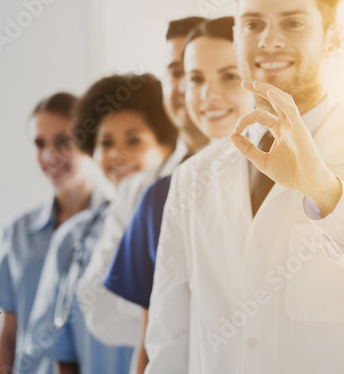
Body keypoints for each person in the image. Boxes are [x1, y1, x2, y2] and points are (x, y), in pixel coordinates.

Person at [144, 0, 344, 373]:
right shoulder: (193, 177)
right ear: (235, 39)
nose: (268, 40)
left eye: (293, 23)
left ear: (333, 39)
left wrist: (329, 193)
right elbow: (170, 338)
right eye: (252, 24)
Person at [103, 17, 254, 373]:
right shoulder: (162, 197)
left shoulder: (300, 181)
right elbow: (152, 339)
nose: (208, 94)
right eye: (196, 78)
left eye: (230, 76)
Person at [24, 73, 177, 374]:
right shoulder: (72, 238)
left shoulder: (182, 224)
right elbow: (56, 346)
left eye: (134, 140)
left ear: (166, 147)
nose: (117, 154)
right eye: (105, 143)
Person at [75, 18, 208, 358]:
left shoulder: (253, 172)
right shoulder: (141, 192)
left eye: (196, 72)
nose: (184, 87)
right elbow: (99, 307)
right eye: (175, 72)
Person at [0, 92, 99, 374]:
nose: (49, 156)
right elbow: (1, 327)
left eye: (63, 142)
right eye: (40, 144)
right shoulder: (12, 234)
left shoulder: (116, 229)